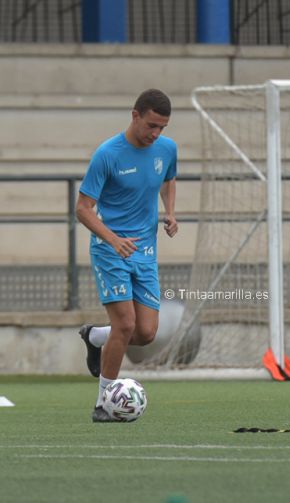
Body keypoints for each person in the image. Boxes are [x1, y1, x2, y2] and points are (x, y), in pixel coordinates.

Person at [76, 89, 178, 421]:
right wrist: (113, 239)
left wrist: (171, 212)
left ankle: (95, 336)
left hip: (145, 252)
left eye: (161, 127)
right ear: (135, 116)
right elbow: (83, 209)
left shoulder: (167, 148)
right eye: (151, 125)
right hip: (110, 250)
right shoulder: (107, 154)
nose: (155, 134)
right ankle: (103, 402)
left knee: (146, 333)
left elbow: (168, 179)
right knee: (126, 324)